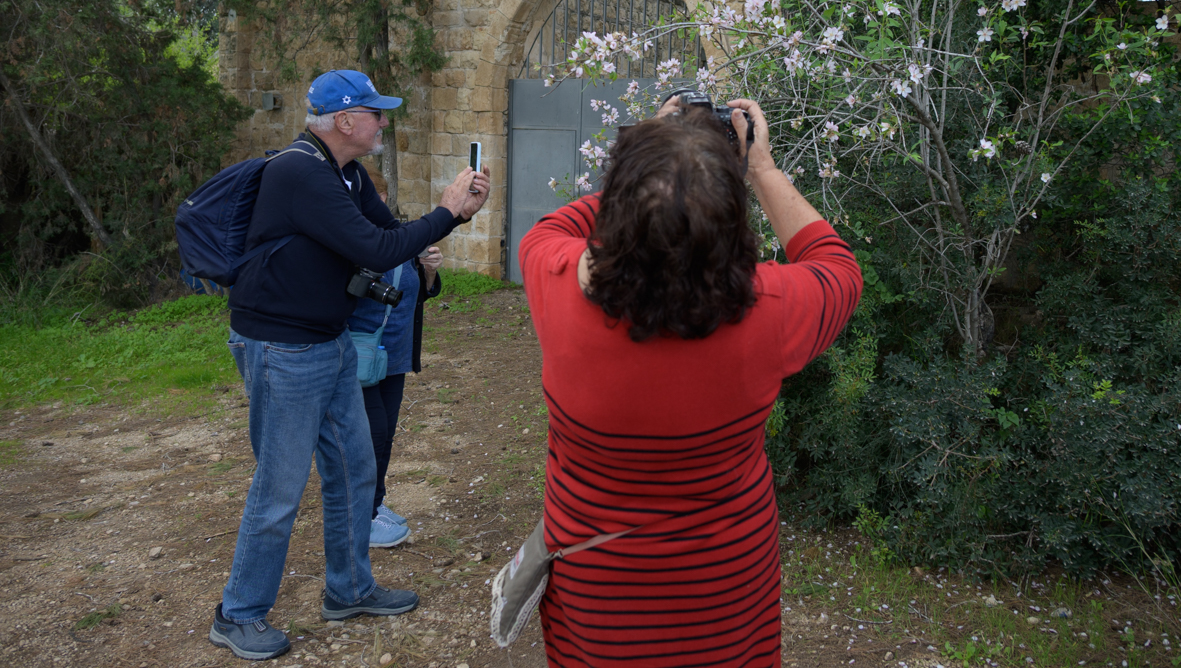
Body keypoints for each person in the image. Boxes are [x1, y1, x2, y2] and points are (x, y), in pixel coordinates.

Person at [518, 96, 862, 667]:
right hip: (726, 600)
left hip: (598, 603)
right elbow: (834, 264)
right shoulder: (772, 311)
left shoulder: (549, 278)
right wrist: (760, 169)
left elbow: (557, 227)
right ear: (730, 220)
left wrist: (655, 161)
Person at [210, 69, 490, 661]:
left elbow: (389, 234)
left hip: (328, 341)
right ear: (345, 120)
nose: (383, 122)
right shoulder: (299, 172)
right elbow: (378, 250)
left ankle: (350, 588)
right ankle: (238, 613)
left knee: (355, 470)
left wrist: (452, 215)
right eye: (376, 113)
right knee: (280, 487)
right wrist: (444, 212)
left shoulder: (345, 173)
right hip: (282, 348)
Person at [349, 164, 443, 548]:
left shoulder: (396, 235)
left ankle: (375, 505)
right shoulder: (349, 238)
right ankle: (362, 519)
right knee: (370, 435)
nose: (380, 204)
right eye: (374, 196)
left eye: (384, 197)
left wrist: (429, 272)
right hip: (359, 353)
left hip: (395, 353)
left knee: (385, 433)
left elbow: (418, 293)